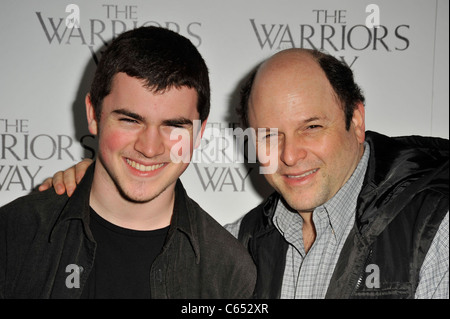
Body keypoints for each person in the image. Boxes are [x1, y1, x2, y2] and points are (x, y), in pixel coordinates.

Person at [40, 48, 449, 299]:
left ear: (355, 120)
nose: (290, 155)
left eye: (311, 127)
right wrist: (106, 184)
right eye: (269, 135)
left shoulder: (435, 228)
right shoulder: (236, 244)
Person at [0, 26, 256, 299]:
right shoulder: (14, 234)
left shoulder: (228, 270)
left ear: (199, 133)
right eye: (130, 120)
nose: (149, 148)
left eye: (173, 126)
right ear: (93, 114)